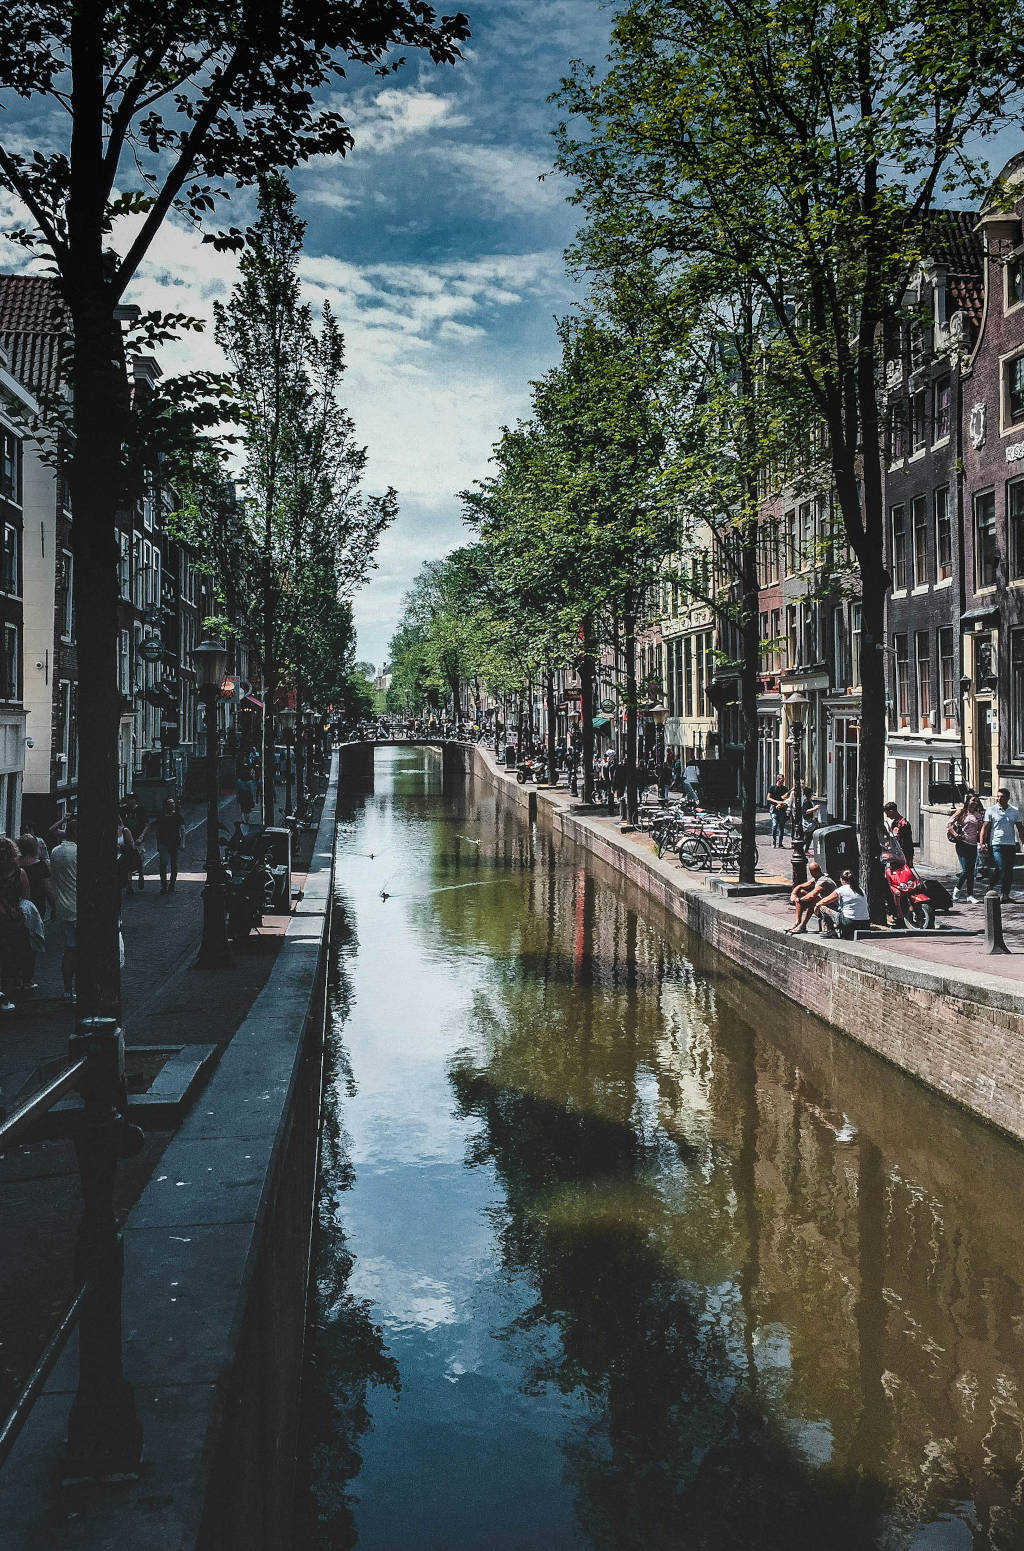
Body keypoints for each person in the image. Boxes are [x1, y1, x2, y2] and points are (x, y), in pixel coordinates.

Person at [50, 819, 78, 1001]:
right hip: (78, 906)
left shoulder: (55, 851)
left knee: (69, 949)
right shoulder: (78, 852)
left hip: (63, 906)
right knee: (82, 950)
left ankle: (68, 988)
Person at [0, 836, 29, 1007]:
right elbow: (26, 898)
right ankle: (13, 990)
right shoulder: (20, 873)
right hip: (14, 919)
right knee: (14, 955)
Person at [981, 788, 1024, 902]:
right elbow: (985, 828)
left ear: (1008, 798)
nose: (999, 799)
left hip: (1010, 844)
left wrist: (1023, 842)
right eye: (998, 796)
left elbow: (1020, 828)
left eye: (1002, 796)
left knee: (1008, 870)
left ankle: (1005, 895)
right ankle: (991, 885)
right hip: (996, 844)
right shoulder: (991, 810)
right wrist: (982, 842)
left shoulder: (1014, 811)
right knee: (1001, 867)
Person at [948, 792, 984, 903]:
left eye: (976, 801)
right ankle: (957, 890)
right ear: (968, 801)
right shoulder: (962, 812)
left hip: (973, 845)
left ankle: (970, 895)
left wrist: (982, 841)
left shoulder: (978, 814)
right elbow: (949, 824)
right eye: (973, 800)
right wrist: (955, 834)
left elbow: (981, 828)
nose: (975, 802)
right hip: (962, 844)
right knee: (966, 870)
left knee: (971, 871)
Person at [815, 868, 870, 939]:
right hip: (865, 923)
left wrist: (816, 906)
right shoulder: (860, 890)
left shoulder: (841, 889)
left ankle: (830, 931)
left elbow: (825, 901)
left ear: (842, 879)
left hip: (849, 922)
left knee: (823, 907)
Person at [787, 858, 835, 934]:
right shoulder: (817, 877)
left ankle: (802, 925)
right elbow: (801, 886)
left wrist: (799, 900)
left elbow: (812, 895)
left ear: (813, 872)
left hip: (830, 907)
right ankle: (797, 923)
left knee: (813, 900)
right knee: (801, 892)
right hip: (821, 904)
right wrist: (794, 893)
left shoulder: (823, 881)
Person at [155, 796, 186, 894]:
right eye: (170, 803)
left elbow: (183, 829)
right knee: (163, 864)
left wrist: (183, 843)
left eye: (173, 803)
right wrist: (158, 843)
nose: (172, 805)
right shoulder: (161, 816)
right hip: (163, 843)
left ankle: (172, 885)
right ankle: (164, 885)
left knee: (174, 865)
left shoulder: (177, 816)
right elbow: (157, 830)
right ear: (166, 806)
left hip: (174, 843)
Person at [120, 793, 149, 889]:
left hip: (137, 840)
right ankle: (129, 885)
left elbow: (146, 825)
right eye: (128, 799)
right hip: (127, 839)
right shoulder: (123, 810)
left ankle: (141, 875)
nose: (129, 801)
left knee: (139, 859)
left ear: (135, 800)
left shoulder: (140, 810)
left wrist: (141, 837)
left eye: (131, 799)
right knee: (128, 861)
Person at [18, 833, 49, 918]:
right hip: (37, 903)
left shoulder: (15, 865)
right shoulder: (41, 866)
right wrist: (53, 905)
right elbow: (47, 888)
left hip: (19, 904)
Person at [883, 801, 915, 866]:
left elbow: (908, 842)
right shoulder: (894, 823)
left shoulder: (904, 824)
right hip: (895, 854)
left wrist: (909, 858)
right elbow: (892, 838)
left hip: (903, 854)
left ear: (892, 811)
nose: (887, 816)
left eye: (887, 813)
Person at [766, 773, 789, 847]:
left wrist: (783, 804)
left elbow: (787, 799)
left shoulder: (785, 789)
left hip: (782, 809)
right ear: (778, 780)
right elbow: (768, 798)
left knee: (782, 826)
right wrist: (777, 802)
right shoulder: (772, 788)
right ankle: (773, 841)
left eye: (783, 780)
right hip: (774, 808)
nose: (783, 782)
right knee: (775, 825)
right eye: (782, 780)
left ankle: (780, 843)